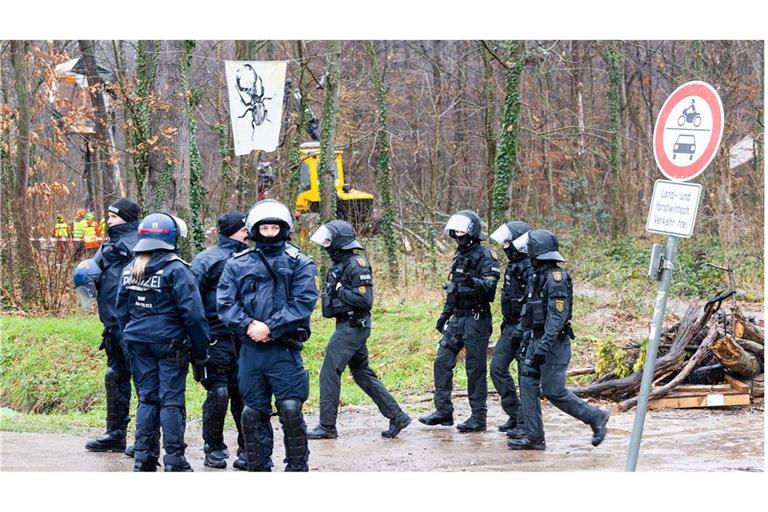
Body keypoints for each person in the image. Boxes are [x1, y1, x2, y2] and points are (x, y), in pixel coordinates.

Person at [217, 199, 318, 472]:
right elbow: (226, 304)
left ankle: (297, 467)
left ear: (284, 229)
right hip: (250, 350)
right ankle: (258, 465)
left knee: (290, 408)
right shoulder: (237, 264)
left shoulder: (300, 262)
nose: (270, 232)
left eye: (275, 227)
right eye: (265, 227)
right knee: (252, 412)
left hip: (284, 349)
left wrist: (271, 327)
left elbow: (303, 301)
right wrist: (249, 325)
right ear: (253, 229)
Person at [116, 212, 209, 471]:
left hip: (137, 343)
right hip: (170, 345)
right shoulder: (177, 269)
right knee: (171, 401)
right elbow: (194, 315)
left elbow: (120, 311)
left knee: (147, 399)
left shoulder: (130, 269)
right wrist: (201, 352)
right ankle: (175, 460)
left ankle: (144, 458)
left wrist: (129, 339)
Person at [307, 220, 411, 440]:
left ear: (339, 242)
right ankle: (397, 416)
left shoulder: (356, 263)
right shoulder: (340, 264)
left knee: (329, 371)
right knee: (362, 373)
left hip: (354, 326)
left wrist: (340, 290)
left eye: (328, 240)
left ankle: (327, 426)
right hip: (347, 324)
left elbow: (365, 300)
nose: (325, 245)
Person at [508, 229, 610, 451]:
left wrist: (543, 346)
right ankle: (535, 437)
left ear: (538, 250)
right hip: (535, 340)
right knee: (526, 383)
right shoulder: (535, 276)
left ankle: (595, 417)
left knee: (554, 391)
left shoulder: (557, 278)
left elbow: (557, 318)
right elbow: (530, 312)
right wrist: (524, 339)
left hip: (553, 344)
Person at [419, 210, 500, 432]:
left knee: (475, 369)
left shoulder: (487, 256)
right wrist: (444, 315)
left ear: (472, 231)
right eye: (455, 232)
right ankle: (444, 411)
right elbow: (453, 291)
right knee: (442, 361)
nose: (458, 235)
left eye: (462, 231)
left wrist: (472, 281)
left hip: (477, 318)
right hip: (457, 317)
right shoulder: (459, 256)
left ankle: (478, 417)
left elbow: (490, 291)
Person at [79, 198, 140, 455]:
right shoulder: (108, 246)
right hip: (113, 326)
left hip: (136, 326)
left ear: (126, 218)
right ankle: (115, 434)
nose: (109, 221)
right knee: (115, 377)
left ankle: (146, 439)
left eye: (114, 217)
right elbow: (92, 276)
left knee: (145, 382)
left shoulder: (140, 245)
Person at [190, 211, 249, 469]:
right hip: (215, 338)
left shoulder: (252, 257)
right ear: (232, 231)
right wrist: (198, 340)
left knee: (245, 394)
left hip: (246, 336)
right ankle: (213, 447)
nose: (248, 231)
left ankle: (248, 447)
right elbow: (191, 303)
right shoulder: (206, 260)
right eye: (243, 228)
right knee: (219, 392)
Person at [488, 220, 531, 433]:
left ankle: (525, 422)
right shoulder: (512, 266)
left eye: (508, 242)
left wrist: (524, 328)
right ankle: (514, 414)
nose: (505, 247)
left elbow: (531, 302)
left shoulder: (531, 266)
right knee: (497, 368)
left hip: (525, 329)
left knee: (526, 375)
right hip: (510, 326)